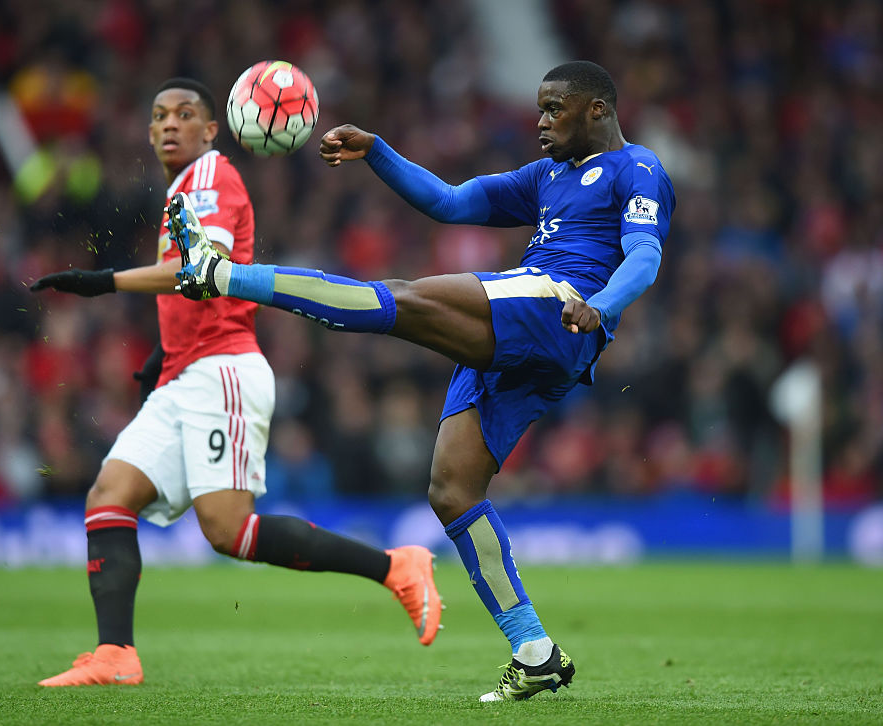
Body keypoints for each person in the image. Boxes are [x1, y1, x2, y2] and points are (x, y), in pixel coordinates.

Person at [171, 61, 675, 701]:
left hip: (559, 305)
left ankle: (222, 275)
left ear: (597, 109)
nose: (541, 122)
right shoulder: (546, 176)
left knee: (400, 298)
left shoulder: (638, 169)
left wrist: (600, 305)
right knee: (452, 491)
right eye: (540, 109)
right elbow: (449, 202)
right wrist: (377, 151)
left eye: (555, 109)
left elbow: (645, 256)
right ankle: (535, 651)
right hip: (533, 337)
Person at [29, 77, 442, 687]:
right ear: (149, 131)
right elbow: (194, 289)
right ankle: (115, 654)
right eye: (160, 115)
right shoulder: (182, 188)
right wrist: (162, 352)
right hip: (184, 371)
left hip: (221, 370)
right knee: (110, 496)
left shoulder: (211, 177)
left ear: (211, 129)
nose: (170, 124)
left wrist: (102, 281)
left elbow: (198, 269)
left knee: (230, 531)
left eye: (185, 114)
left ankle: (395, 566)